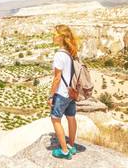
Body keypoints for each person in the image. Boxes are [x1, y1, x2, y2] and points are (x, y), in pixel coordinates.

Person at [47, 24, 78, 159]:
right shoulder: (71, 51)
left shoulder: (59, 54)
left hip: (62, 93)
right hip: (71, 91)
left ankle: (64, 151)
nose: (52, 36)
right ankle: (71, 145)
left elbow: (57, 78)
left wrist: (50, 96)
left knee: (55, 119)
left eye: (55, 34)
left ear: (61, 37)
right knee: (71, 118)